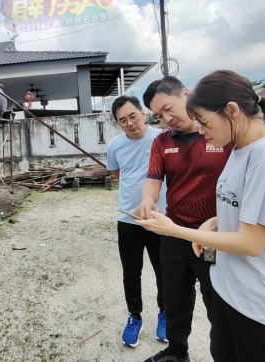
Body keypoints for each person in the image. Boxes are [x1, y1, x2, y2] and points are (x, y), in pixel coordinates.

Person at [137, 70, 265, 362]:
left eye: (204, 121)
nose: (201, 129)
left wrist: (176, 231)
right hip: (235, 290)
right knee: (179, 301)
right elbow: (241, 203)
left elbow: (252, 242)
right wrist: (217, 220)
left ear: (231, 111)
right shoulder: (239, 149)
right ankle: (176, 349)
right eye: (158, 116)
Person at [138, 76, 231, 362]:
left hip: (213, 234)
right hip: (174, 230)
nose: (167, 119)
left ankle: (226, 354)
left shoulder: (220, 134)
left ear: (186, 94)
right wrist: (147, 200)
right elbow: (153, 179)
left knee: (217, 301)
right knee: (175, 296)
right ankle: (177, 352)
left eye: (169, 108)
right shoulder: (163, 142)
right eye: (159, 115)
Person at [106, 95, 168, 348]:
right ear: (117, 123)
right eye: (123, 120)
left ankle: (165, 313)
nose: (130, 123)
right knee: (131, 272)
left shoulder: (161, 138)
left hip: (160, 218)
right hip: (128, 218)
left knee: (163, 271)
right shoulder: (115, 145)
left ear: (143, 113)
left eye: (133, 116)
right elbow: (119, 174)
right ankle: (134, 316)